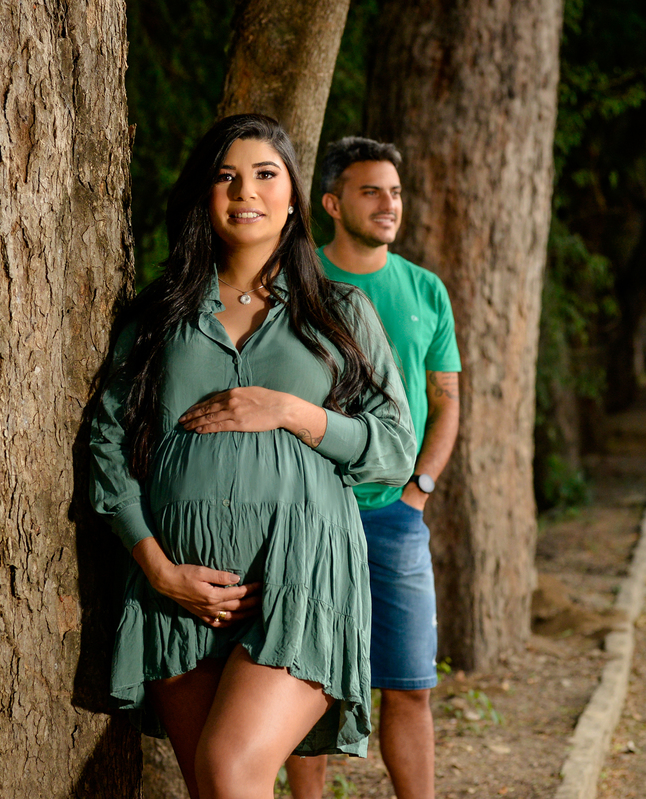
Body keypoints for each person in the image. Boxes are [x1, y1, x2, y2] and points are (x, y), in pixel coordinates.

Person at [90, 115, 416, 799]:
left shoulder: (339, 311)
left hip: (299, 573)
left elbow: (394, 447)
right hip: (178, 586)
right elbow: (107, 442)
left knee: (230, 768)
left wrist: (292, 412)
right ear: (204, 196)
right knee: (217, 788)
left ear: (294, 196)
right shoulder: (158, 316)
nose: (247, 191)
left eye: (266, 174)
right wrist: (158, 569)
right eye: (227, 176)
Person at [285, 137, 461, 799]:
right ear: (332, 203)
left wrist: (420, 488)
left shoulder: (426, 289)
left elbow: (447, 401)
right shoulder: (299, 282)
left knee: (410, 685)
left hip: (395, 514)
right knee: (308, 680)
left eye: (395, 192)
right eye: (371, 191)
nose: (389, 203)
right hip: (312, 509)